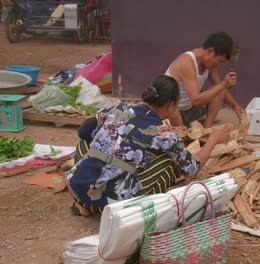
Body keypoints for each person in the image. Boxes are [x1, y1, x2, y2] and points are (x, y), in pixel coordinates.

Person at [68, 75, 231, 216]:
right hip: (111, 203)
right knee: (168, 165)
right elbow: (192, 168)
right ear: (170, 104)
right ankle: (101, 207)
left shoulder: (118, 107)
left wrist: (108, 141)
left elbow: (83, 130)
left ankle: (84, 205)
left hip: (76, 186)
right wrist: (213, 139)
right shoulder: (162, 132)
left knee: (85, 142)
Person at [165, 32, 245, 128]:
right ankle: (182, 132)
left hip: (189, 110)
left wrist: (235, 105)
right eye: (219, 61)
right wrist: (224, 84)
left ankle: (206, 129)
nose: (218, 65)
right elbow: (196, 100)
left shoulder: (209, 64)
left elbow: (221, 88)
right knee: (219, 87)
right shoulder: (186, 62)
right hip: (171, 114)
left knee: (219, 90)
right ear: (210, 51)